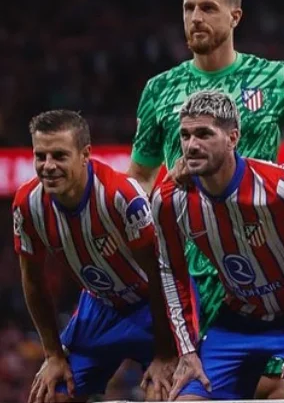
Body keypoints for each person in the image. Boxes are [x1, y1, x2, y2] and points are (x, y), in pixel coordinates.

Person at [127, 0, 284, 398]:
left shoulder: (275, 78)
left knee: (274, 388)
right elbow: (138, 176)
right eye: (188, 8)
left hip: (268, 262)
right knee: (195, 387)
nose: (195, 17)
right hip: (194, 272)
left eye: (208, 8)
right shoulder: (161, 89)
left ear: (235, 16)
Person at [152, 91, 284, 401]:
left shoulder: (281, 189)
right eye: (186, 135)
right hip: (237, 323)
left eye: (204, 134)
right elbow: (169, 271)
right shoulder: (170, 200)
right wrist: (187, 351)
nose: (191, 145)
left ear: (233, 138)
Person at [13, 110, 176, 402]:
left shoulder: (122, 196)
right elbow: (33, 281)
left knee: (163, 394)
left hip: (152, 305)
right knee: (51, 396)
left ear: (85, 154)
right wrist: (53, 355)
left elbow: (160, 275)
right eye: (41, 156)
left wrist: (166, 353)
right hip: (99, 306)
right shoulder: (27, 204)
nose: (48, 166)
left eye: (59, 156)